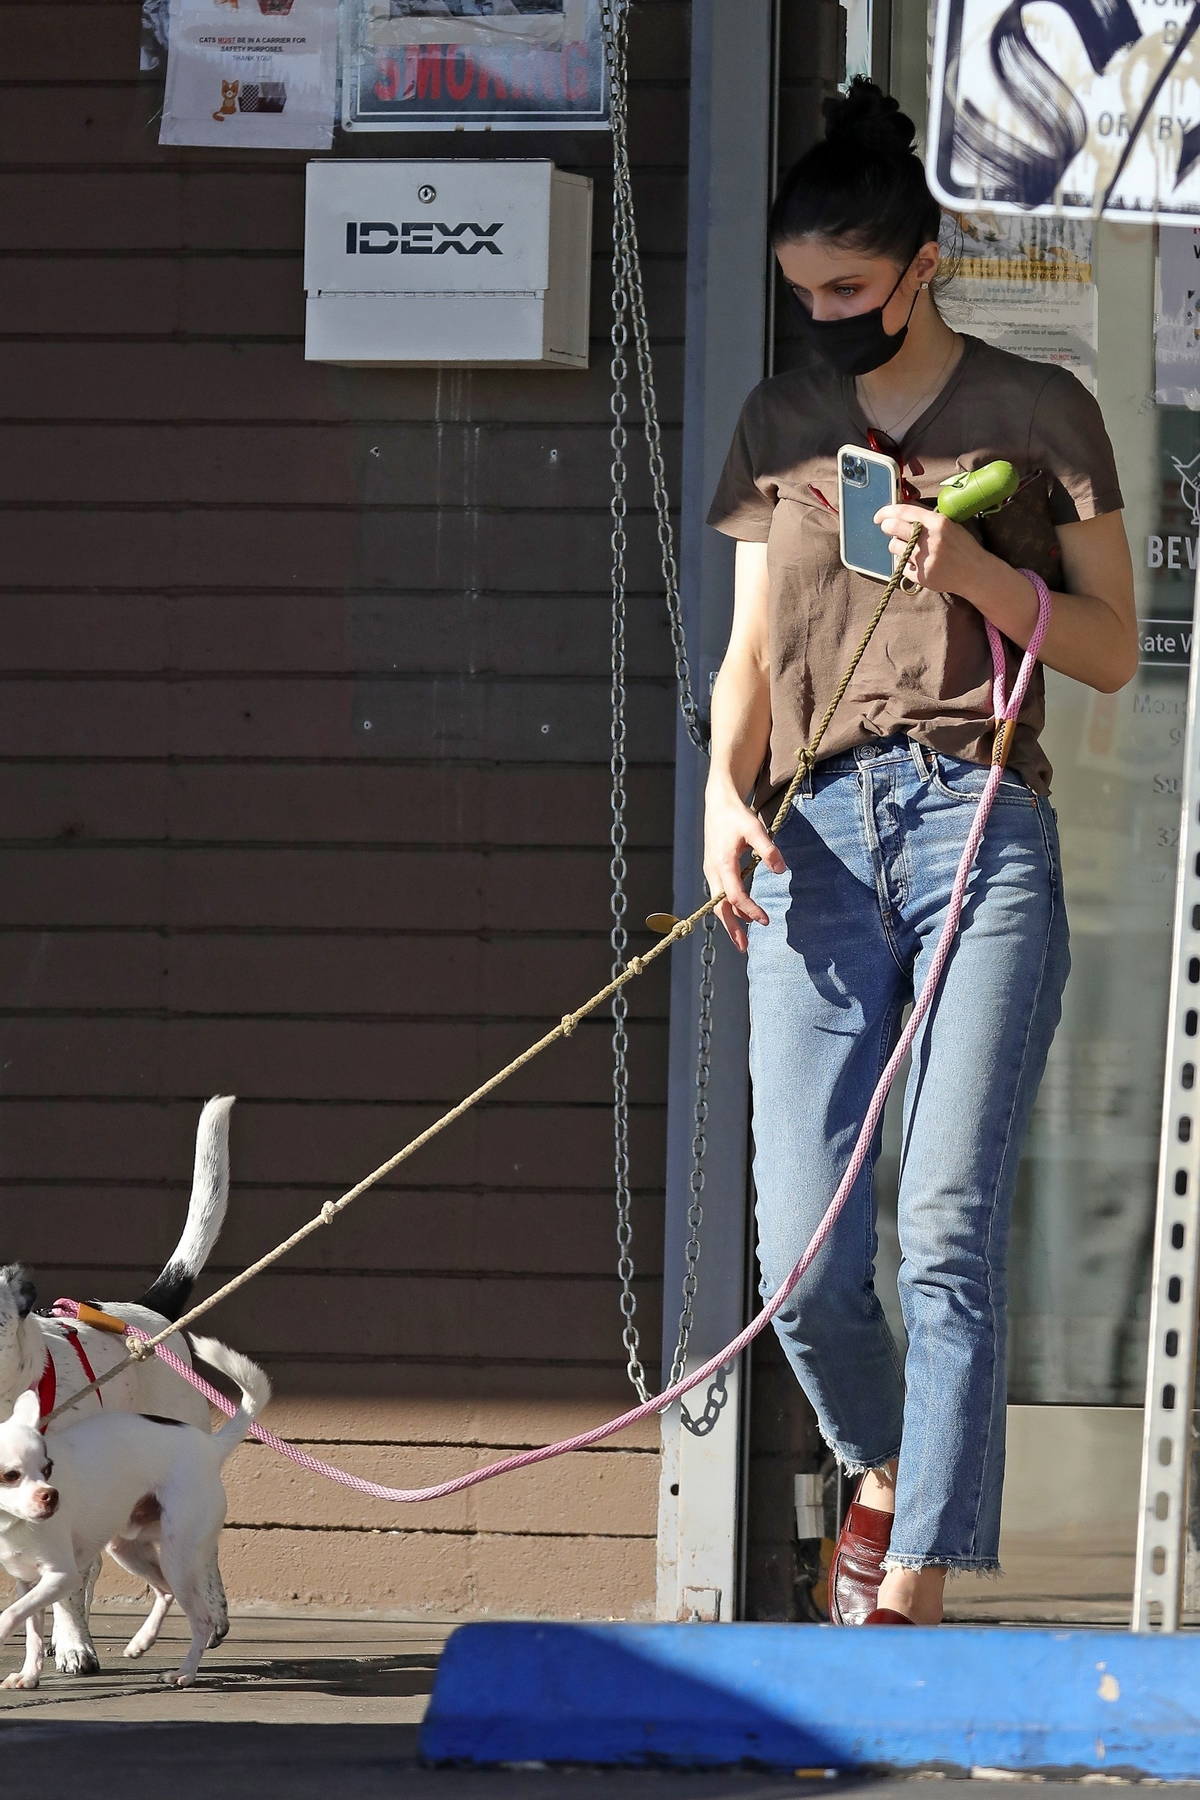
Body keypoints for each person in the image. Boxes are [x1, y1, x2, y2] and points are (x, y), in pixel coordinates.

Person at [703, 78, 1136, 1627]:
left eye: (849, 293)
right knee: (803, 1259)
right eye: (801, 295)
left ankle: (918, 1589)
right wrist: (719, 795)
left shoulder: (1040, 413)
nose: (824, 320)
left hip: (979, 823)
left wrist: (973, 571)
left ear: (923, 266)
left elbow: (1110, 651)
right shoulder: (781, 423)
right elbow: (752, 653)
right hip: (814, 835)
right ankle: (886, 1466)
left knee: (944, 1223)